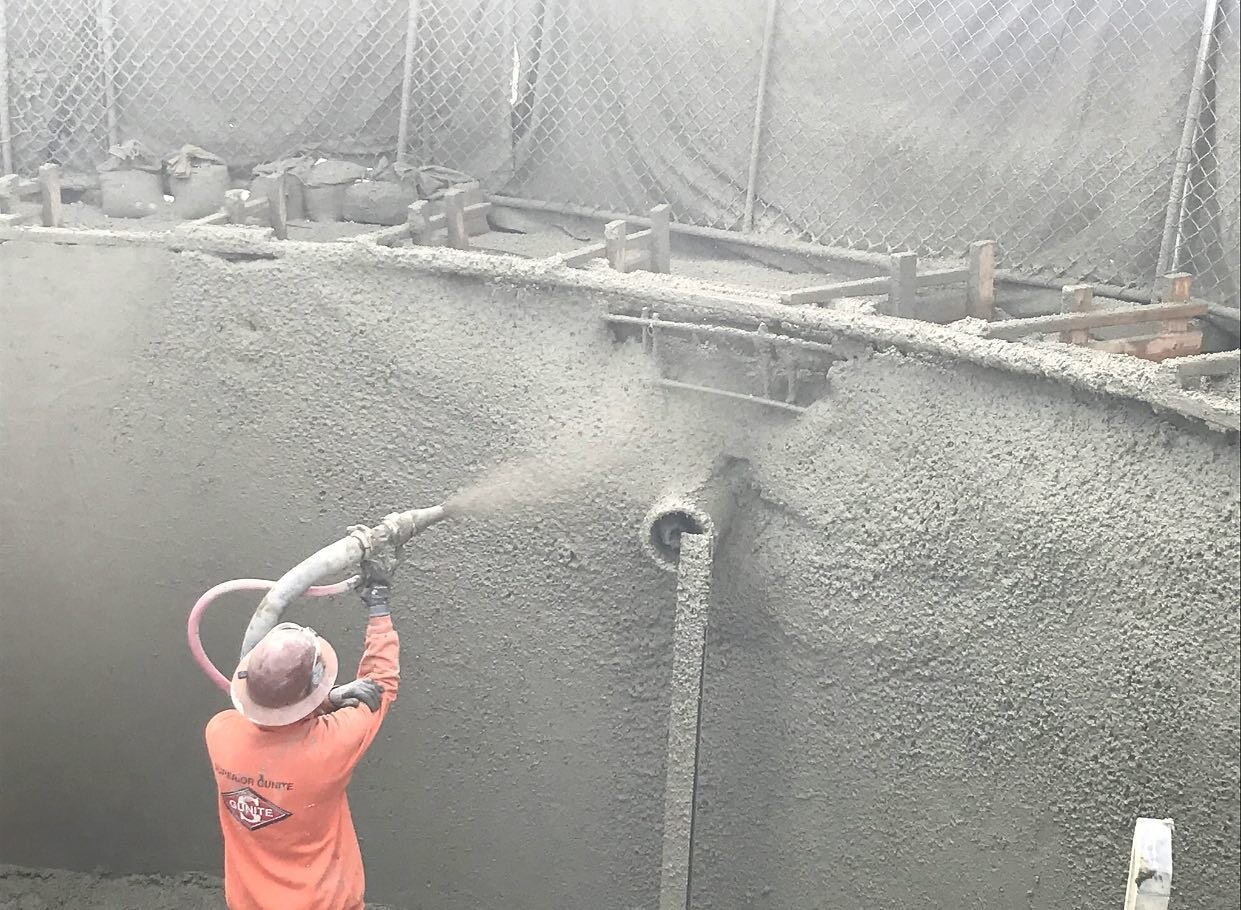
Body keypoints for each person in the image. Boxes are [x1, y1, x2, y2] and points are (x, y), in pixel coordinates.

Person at [204, 567, 399, 910]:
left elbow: (266, 716)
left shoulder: (219, 733)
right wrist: (378, 606)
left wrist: (327, 699)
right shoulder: (332, 743)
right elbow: (380, 685)